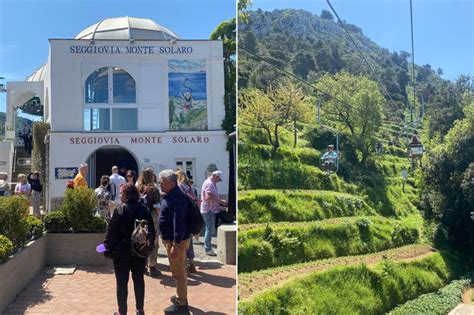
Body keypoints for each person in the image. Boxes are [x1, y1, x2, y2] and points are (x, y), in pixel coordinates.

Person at [104, 183, 155, 315]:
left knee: (121, 283)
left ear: (126, 195)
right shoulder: (144, 209)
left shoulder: (120, 209)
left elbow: (111, 233)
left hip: (121, 253)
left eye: (121, 193)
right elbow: (152, 232)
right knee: (139, 280)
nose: (120, 196)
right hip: (139, 251)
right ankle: (140, 309)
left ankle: (122, 312)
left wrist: (104, 248)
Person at [158, 169, 191, 314]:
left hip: (176, 242)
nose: (160, 185)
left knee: (179, 272)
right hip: (172, 241)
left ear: (172, 183)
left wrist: (176, 245)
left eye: (162, 182)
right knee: (177, 270)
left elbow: (179, 222)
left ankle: (182, 304)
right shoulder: (171, 195)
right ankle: (180, 296)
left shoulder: (177, 198)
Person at [136, 168, 162, 277]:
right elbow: (157, 207)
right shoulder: (154, 189)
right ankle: (152, 266)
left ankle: (142, 265)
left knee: (143, 240)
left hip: (141, 217)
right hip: (152, 216)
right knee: (153, 241)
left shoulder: (138, 188)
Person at [176, 170, 197, 273]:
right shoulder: (190, 186)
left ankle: (183, 265)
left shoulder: (180, 187)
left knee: (182, 240)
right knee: (189, 240)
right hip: (191, 215)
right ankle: (192, 263)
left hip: (183, 215)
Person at [200, 170, 224, 256]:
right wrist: (220, 201)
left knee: (209, 229)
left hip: (209, 209)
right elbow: (209, 197)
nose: (218, 181)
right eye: (218, 179)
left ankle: (208, 247)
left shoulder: (210, 182)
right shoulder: (210, 183)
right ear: (215, 176)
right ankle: (208, 249)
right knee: (210, 229)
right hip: (209, 210)